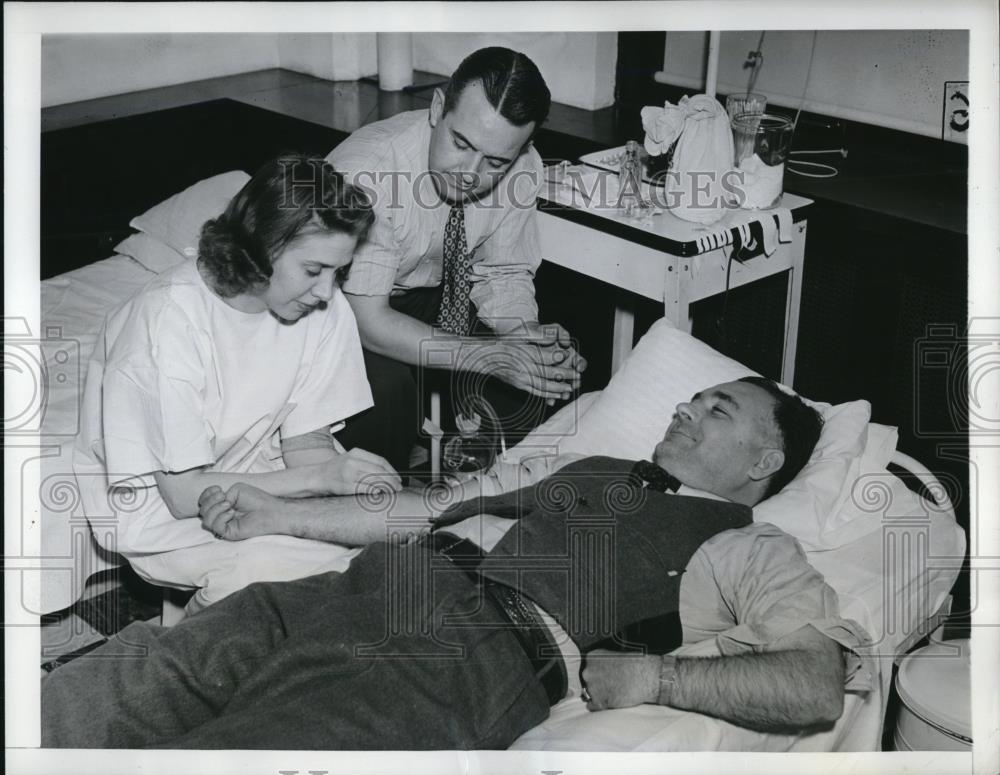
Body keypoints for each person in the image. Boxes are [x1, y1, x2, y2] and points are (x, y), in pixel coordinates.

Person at [45, 377, 871, 749]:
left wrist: (658, 681)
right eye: (692, 395)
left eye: (716, 407)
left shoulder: (746, 542)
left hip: (462, 658)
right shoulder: (595, 471)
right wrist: (276, 513)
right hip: (365, 588)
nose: (687, 404)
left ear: (764, 459)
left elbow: (814, 680)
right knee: (133, 676)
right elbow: (432, 510)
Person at [71, 153, 403, 615]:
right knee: (278, 577)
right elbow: (183, 494)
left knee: (378, 545)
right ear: (261, 248)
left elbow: (306, 440)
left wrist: (341, 492)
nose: (328, 291)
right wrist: (322, 480)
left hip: (266, 473)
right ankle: (190, 642)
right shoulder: (168, 320)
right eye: (313, 270)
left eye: (338, 272)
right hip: (160, 505)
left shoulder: (321, 306)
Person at [328, 46, 587, 473]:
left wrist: (525, 339)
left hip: (431, 289)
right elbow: (367, 320)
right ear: (436, 109)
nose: (470, 172)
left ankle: (477, 494)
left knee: (546, 372)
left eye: (496, 161)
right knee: (384, 392)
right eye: (461, 143)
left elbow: (503, 274)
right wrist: (491, 357)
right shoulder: (371, 172)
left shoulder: (523, 167)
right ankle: (376, 504)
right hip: (344, 307)